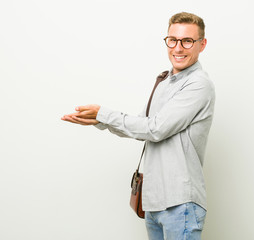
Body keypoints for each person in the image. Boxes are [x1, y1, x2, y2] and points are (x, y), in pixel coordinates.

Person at [61, 12, 215, 240]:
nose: (178, 48)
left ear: (202, 44)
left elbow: (155, 129)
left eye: (187, 41)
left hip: (180, 203)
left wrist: (104, 113)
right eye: (172, 40)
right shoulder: (164, 81)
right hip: (154, 202)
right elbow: (142, 126)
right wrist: (99, 120)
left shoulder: (198, 84)